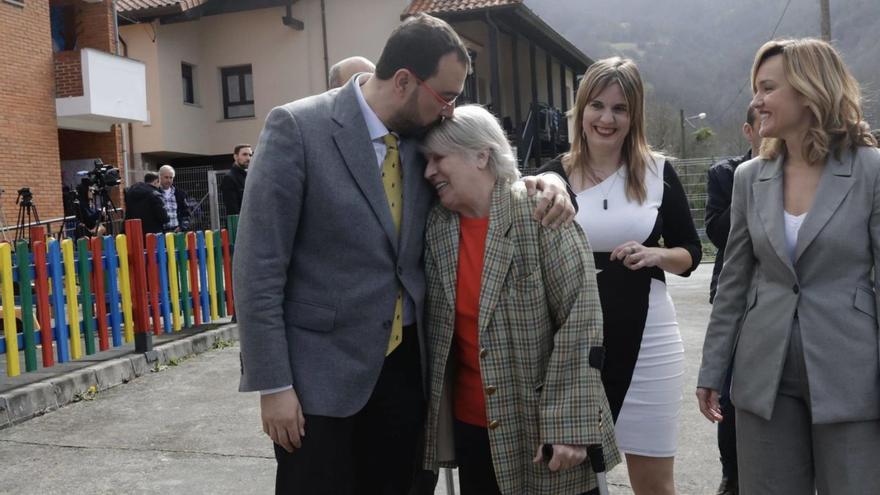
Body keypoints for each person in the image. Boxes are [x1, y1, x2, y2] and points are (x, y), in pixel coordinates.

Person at [234, 13, 574, 495]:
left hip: (405, 378)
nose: (452, 111)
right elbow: (257, 268)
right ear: (403, 81)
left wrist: (550, 181)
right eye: (447, 95)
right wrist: (273, 386)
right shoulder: (298, 128)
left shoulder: (422, 144)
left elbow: (485, 174)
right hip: (318, 387)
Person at [697, 38, 880, 494]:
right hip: (763, 376)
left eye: (767, 88)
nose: (756, 100)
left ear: (809, 89)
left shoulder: (871, 170)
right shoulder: (748, 178)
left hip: (850, 375)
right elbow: (734, 282)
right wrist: (713, 369)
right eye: (755, 89)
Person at [420, 105, 618, 494]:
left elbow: (581, 321)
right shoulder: (438, 227)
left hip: (545, 429)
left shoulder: (539, 211)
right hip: (473, 429)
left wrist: (570, 426)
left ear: (481, 154)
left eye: (438, 158)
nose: (429, 172)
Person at [538, 57, 701, 495]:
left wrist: (654, 255)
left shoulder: (657, 172)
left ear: (634, 116)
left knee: (654, 486)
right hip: (575, 349)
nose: (606, 119)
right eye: (597, 105)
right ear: (580, 110)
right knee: (576, 482)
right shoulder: (552, 176)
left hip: (651, 343)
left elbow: (691, 253)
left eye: (620, 108)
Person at [703, 104, 762, 495]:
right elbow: (719, 233)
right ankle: (733, 473)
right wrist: (758, 176)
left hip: (779, 297)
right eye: (764, 126)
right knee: (730, 394)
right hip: (736, 294)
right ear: (748, 131)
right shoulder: (727, 175)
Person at [124, 172, 169, 236]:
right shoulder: (155, 194)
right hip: (153, 234)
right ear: (156, 181)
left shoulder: (130, 193)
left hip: (135, 233)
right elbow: (164, 217)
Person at [220, 144, 252, 216]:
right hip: (239, 224)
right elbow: (232, 210)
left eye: (250, 155)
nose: (248, 158)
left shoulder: (249, 176)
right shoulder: (229, 178)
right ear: (236, 157)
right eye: (244, 154)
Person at [157, 164, 191, 232]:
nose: (169, 180)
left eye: (171, 177)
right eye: (166, 177)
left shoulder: (180, 194)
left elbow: (186, 213)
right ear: (159, 177)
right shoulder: (155, 193)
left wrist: (182, 227)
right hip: (160, 233)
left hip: (177, 231)